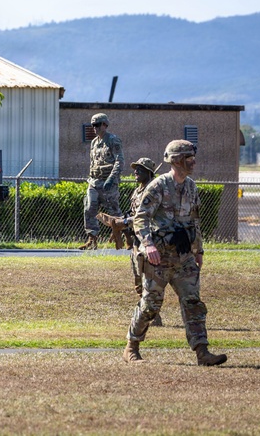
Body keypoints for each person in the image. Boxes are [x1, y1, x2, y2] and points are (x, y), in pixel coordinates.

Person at [123, 140, 228, 366]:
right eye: (188, 158)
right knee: (151, 304)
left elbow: (195, 221)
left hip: (183, 257)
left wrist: (198, 250)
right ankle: (131, 347)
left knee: (193, 302)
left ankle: (202, 352)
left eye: (192, 157)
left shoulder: (191, 186)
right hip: (157, 257)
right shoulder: (158, 186)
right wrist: (148, 245)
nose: (193, 162)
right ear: (176, 160)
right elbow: (141, 218)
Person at [123, 157, 163, 327]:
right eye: (135, 169)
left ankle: (153, 316)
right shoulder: (138, 190)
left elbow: (148, 217)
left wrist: (126, 221)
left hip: (148, 241)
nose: (136, 172)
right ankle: (147, 312)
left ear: (149, 172)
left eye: (140, 169)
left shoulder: (152, 191)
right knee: (138, 280)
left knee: (149, 280)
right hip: (136, 241)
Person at [80, 113, 123, 250]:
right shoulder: (94, 142)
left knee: (114, 211)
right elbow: (93, 162)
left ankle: (123, 236)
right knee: (89, 208)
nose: (95, 128)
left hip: (108, 182)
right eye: (93, 125)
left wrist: (112, 178)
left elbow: (119, 161)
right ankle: (92, 239)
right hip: (94, 181)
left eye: (97, 125)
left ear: (105, 125)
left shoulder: (113, 140)